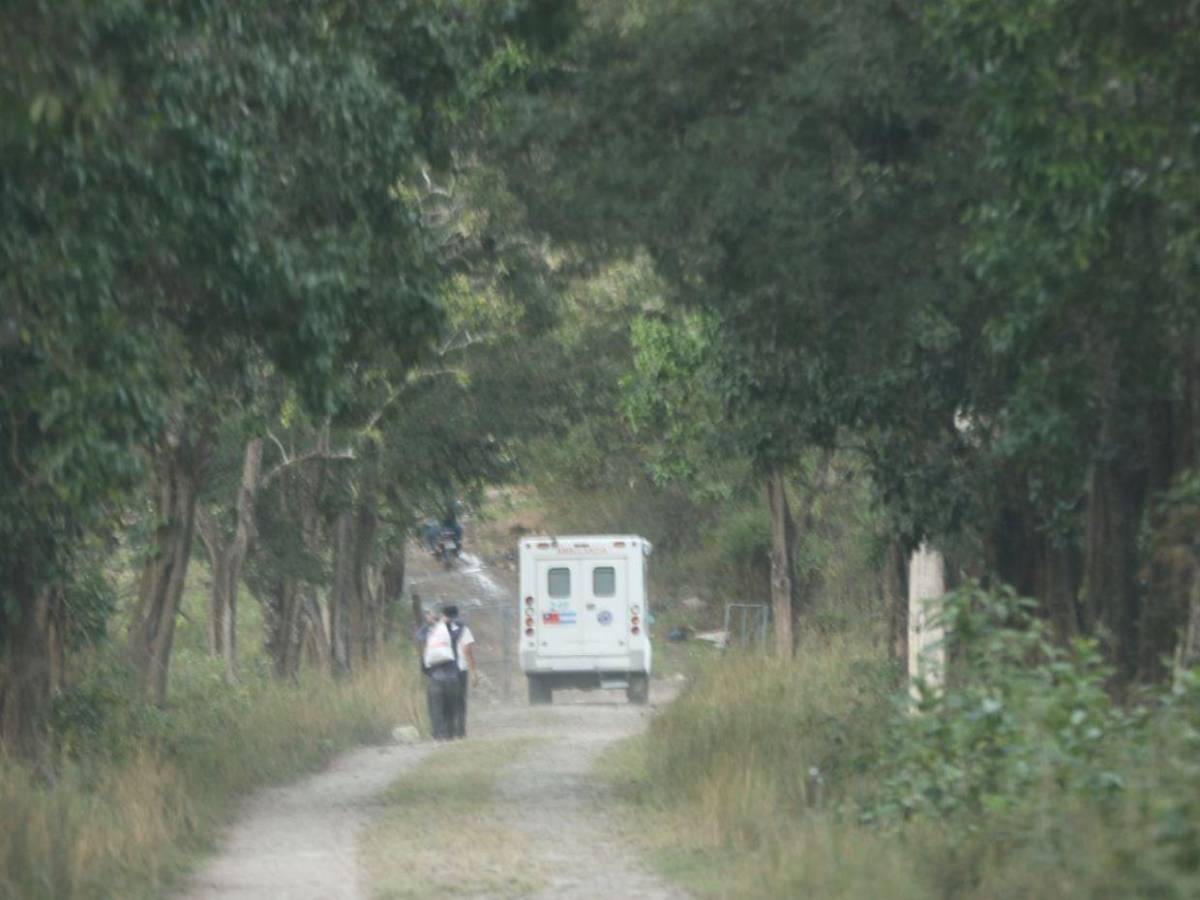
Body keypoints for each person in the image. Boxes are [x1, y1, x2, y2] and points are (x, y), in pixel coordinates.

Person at [421, 612, 463, 740]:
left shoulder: (429, 634)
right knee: (450, 708)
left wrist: (431, 622)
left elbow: (419, 635)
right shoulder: (452, 635)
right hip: (452, 679)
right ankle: (449, 734)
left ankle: (439, 734)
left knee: (436, 709)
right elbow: (461, 625)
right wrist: (447, 620)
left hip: (435, 679)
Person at [441, 605, 477, 739]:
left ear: (445, 615)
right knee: (460, 701)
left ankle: (448, 732)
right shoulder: (464, 629)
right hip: (460, 670)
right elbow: (468, 651)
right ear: (457, 614)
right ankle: (460, 732)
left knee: (447, 701)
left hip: (444, 671)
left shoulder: (439, 629)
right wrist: (474, 673)